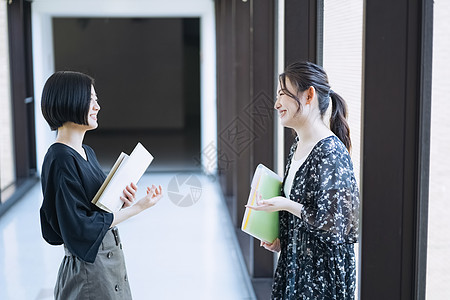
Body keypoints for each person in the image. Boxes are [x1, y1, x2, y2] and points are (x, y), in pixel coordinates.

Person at [39, 71, 163, 299]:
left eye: (96, 100)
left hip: (107, 266)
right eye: (90, 100)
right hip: (89, 275)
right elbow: (80, 228)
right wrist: (138, 208)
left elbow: (96, 212)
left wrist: (122, 203)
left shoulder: (87, 152)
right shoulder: (60, 159)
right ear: (69, 100)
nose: (97, 107)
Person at [247, 61, 360, 299]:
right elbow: (309, 216)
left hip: (322, 282)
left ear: (309, 95)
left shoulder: (330, 153)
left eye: (283, 94)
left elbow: (336, 228)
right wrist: (282, 241)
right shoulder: (299, 145)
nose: (276, 104)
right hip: (298, 272)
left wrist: (285, 204)